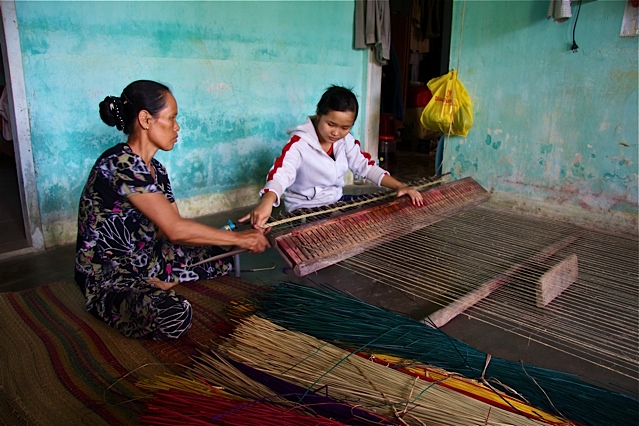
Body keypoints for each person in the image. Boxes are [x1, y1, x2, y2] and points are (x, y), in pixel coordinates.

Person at [75, 80, 269, 340]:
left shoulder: (157, 171)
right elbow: (176, 231)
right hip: (110, 275)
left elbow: (173, 228)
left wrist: (231, 240)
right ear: (145, 119)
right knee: (173, 315)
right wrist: (240, 237)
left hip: (149, 259)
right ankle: (117, 299)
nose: (177, 127)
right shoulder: (120, 162)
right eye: (172, 118)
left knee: (221, 254)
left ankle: (162, 280)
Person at [240, 85, 424, 228]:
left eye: (345, 128)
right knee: (340, 229)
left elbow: (365, 166)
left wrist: (401, 186)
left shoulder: (346, 141)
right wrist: (267, 202)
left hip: (334, 202)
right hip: (306, 209)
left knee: (389, 206)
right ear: (319, 114)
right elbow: (281, 173)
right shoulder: (299, 143)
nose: (336, 133)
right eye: (331, 124)